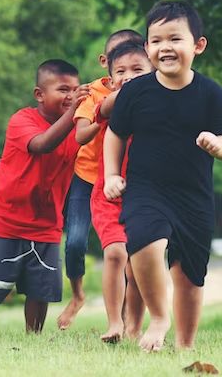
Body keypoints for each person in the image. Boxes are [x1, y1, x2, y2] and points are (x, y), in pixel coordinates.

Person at [103, 0, 222, 352]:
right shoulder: (135, 92)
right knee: (145, 241)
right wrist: (111, 175)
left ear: (198, 45)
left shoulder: (210, 93)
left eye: (175, 38)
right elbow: (114, 134)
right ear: (148, 48)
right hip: (145, 189)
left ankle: (186, 345)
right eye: (156, 40)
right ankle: (159, 318)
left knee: (190, 277)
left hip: (194, 195)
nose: (165, 47)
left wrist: (217, 145)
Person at [0, 59, 90, 333]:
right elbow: (43, 144)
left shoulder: (77, 130)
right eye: (62, 89)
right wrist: (73, 112)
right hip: (7, 214)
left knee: (42, 284)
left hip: (47, 219)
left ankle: (32, 335)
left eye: (74, 90)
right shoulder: (22, 120)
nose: (70, 96)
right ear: (39, 95)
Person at [57, 29, 145, 330]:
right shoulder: (93, 94)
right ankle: (79, 295)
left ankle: (124, 318)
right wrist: (105, 113)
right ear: (106, 63)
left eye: (137, 63)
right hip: (88, 178)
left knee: (129, 253)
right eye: (120, 64)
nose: (128, 71)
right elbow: (80, 134)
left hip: (129, 180)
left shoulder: (148, 92)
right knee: (77, 242)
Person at [88, 41, 152, 343]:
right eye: (121, 72)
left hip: (145, 197)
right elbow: (104, 108)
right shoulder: (112, 103)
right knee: (115, 253)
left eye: (138, 70)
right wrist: (129, 89)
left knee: (138, 264)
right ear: (111, 80)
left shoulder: (159, 105)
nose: (128, 76)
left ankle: (134, 326)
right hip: (109, 195)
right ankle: (114, 322)